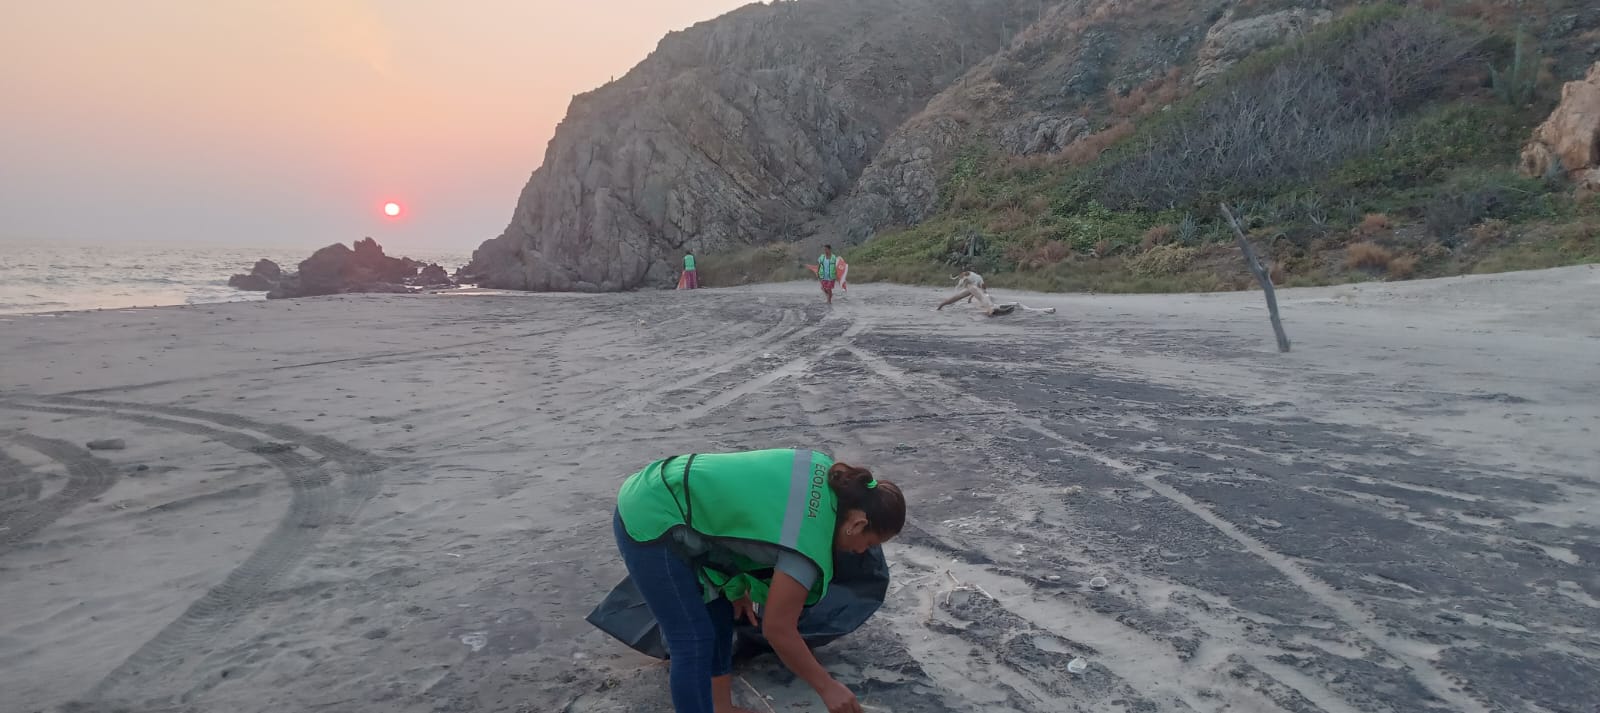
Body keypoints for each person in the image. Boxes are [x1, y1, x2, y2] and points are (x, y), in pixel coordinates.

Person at [612, 448, 906, 713]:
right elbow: (778, 630)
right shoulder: (807, 547)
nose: (861, 552)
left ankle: (720, 707)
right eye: (869, 543)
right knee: (692, 640)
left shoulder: (828, 477)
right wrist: (827, 687)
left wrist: (736, 581)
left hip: (672, 495)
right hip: (651, 515)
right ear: (857, 524)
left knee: (720, 612)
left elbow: (754, 516)